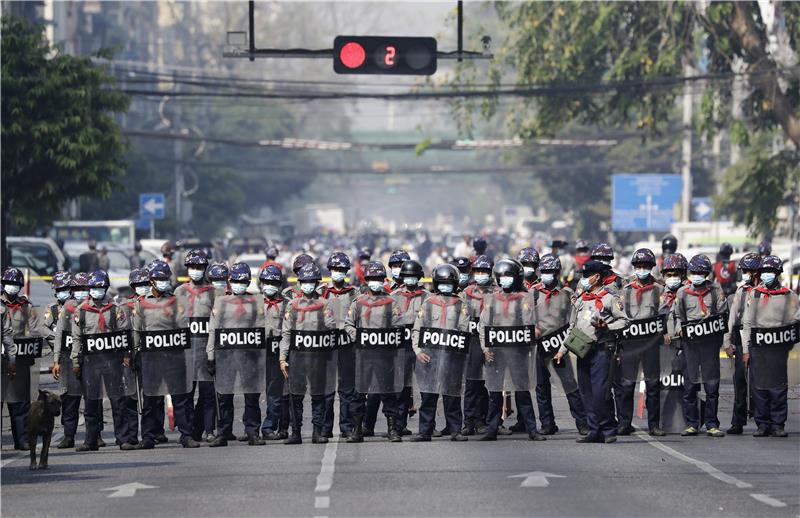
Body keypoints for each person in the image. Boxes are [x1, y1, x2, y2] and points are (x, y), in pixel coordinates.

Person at [477, 259, 545, 442]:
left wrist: (535, 332)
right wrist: (485, 349)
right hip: (496, 352)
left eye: (508, 276)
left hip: (517, 352)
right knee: (495, 392)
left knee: (522, 391)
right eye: (502, 276)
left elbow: (532, 323)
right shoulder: (491, 299)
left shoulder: (525, 298)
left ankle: (532, 429)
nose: (504, 280)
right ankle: (492, 429)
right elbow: (483, 327)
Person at [132, 261, 198, 449]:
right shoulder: (141, 303)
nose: (163, 282)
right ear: (151, 281)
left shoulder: (175, 300)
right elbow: (137, 331)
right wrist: (135, 353)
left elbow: (183, 326)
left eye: (165, 278)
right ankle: (148, 437)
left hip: (173, 356)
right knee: (151, 399)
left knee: (180, 398)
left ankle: (186, 435)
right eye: (159, 279)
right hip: (151, 357)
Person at [563, 260, 629, 444]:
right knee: (586, 392)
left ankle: (609, 429)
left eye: (587, 276)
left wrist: (607, 326)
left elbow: (624, 321)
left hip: (602, 350)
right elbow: (572, 327)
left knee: (600, 392)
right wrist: (562, 350)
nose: (583, 280)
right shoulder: (581, 299)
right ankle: (594, 430)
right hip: (582, 350)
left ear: (597, 276)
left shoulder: (610, 298)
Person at [70, 270, 137, 451]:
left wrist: (126, 356)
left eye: (100, 287)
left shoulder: (115, 309)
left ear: (105, 288)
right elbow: (77, 339)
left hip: (112, 361)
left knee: (118, 401)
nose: (97, 291)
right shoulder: (81, 311)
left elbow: (125, 334)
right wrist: (76, 362)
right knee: (91, 402)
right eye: (93, 288)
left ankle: (122, 439)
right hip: (90, 362)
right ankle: (90, 440)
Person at [206, 262, 267, 447]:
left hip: (250, 356)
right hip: (226, 356)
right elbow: (213, 331)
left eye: (243, 281)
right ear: (230, 282)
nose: (239, 284)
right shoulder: (221, 302)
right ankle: (223, 432)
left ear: (248, 282)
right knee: (224, 396)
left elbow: (262, 328)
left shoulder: (256, 302)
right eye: (236, 281)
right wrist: (210, 357)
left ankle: (253, 432)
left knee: (252, 396)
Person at [344, 261, 405, 443]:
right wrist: (360, 337)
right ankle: (357, 430)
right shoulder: (358, 303)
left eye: (379, 279)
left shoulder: (390, 302)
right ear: (367, 280)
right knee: (358, 393)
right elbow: (348, 325)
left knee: (387, 392)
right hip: (363, 355)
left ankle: (392, 429)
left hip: (384, 355)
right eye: (372, 279)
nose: (375, 282)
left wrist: (387, 338)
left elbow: (398, 325)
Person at [410, 264, 470, 442]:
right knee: (428, 395)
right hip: (430, 359)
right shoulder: (428, 304)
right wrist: (418, 351)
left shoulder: (461, 305)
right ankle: (424, 431)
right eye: (442, 283)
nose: (446, 286)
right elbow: (417, 330)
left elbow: (463, 330)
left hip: (452, 358)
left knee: (452, 395)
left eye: (449, 283)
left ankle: (455, 430)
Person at [280, 262, 337, 445]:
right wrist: (283, 358)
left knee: (318, 395)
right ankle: (295, 432)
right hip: (297, 357)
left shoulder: (324, 303)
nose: (308, 285)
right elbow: (286, 333)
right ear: (300, 282)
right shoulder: (292, 305)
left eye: (311, 281)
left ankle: (317, 431)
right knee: (295, 396)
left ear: (316, 282)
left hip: (318, 357)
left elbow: (331, 327)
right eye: (305, 281)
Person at [741, 255, 799, 437]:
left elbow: (797, 319)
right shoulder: (755, 293)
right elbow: (747, 322)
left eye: (771, 272)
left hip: (779, 348)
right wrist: (745, 350)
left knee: (778, 387)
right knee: (760, 387)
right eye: (764, 271)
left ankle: (778, 424)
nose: (767, 275)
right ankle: (762, 424)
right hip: (759, 347)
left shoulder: (789, 295)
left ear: (778, 273)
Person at [671, 254, 728, 438]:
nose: (697, 275)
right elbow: (677, 316)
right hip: (690, 345)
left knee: (712, 386)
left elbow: (722, 315)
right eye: (694, 272)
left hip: (709, 345)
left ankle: (712, 423)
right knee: (690, 386)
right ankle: (692, 423)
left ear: (707, 274)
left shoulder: (715, 291)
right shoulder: (682, 293)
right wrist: (678, 329)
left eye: (701, 273)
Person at [531, 254, 588, 436]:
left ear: (557, 273)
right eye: (545, 271)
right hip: (538, 347)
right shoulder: (532, 293)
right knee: (541, 387)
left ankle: (582, 423)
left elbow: (574, 320)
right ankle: (547, 423)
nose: (547, 274)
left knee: (569, 386)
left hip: (558, 347)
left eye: (551, 271)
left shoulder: (567, 294)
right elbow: (522, 316)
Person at [614, 249, 665, 436]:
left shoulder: (660, 290)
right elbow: (619, 317)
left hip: (651, 343)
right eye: (639, 266)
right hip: (630, 344)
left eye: (645, 266)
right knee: (627, 385)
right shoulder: (625, 291)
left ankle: (654, 425)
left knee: (653, 385)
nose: (642, 269)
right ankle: (624, 423)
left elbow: (665, 315)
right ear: (634, 268)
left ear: (651, 268)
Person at [1, 267, 52, 451]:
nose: (12, 287)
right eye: (9, 284)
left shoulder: (26, 306)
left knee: (20, 403)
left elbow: (35, 330)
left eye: (16, 284)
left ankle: (21, 440)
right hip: (1, 359)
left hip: (20, 360)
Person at [174, 250, 217, 443]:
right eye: (192, 267)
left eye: (199, 267)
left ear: (205, 268)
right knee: (186, 394)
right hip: (185, 350)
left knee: (208, 393)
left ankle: (208, 430)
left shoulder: (214, 292)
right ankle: (188, 433)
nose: (195, 270)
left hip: (206, 349)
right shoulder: (179, 292)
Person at [320, 252, 358, 439]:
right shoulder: (322, 292)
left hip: (347, 345)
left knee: (347, 389)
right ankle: (325, 428)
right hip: (327, 346)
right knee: (327, 389)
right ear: (329, 270)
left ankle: (346, 427)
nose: (338, 273)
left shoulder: (354, 293)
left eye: (341, 270)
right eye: (335, 269)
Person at [722, 252, 761, 434]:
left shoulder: (764, 290)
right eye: (743, 270)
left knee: (759, 381)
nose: (744, 273)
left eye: (747, 270)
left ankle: (762, 420)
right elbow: (732, 316)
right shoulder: (741, 289)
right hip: (740, 337)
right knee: (739, 382)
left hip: (760, 339)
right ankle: (738, 421)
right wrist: (727, 340)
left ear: (756, 271)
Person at [391, 259, 428, 436]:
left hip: (423, 346)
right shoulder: (394, 297)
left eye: (413, 276)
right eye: (407, 276)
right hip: (401, 346)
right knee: (401, 386)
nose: (410, 280)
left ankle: (428, 426)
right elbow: (390, 320)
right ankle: (399, 424)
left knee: (426, 386)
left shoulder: (428, 297)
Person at [460, 255, 493, 435]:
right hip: (472, 341)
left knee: (489, 384)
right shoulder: (466, 293)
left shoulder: (496, 292)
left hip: (492, 341)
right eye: (478, 271)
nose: (481, 274)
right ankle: (469, 421)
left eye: (485, 271)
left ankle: (485, 421)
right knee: (472, 383)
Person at [260, 265, 290, 441]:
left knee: (274, 392)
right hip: (257, 350)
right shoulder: (254, 302)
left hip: (277, 351)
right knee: (252, 393)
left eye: (273, 282)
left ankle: (269, 426)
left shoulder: (286, 303)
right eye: (267, 282)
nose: (270, 285)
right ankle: (251, 427)